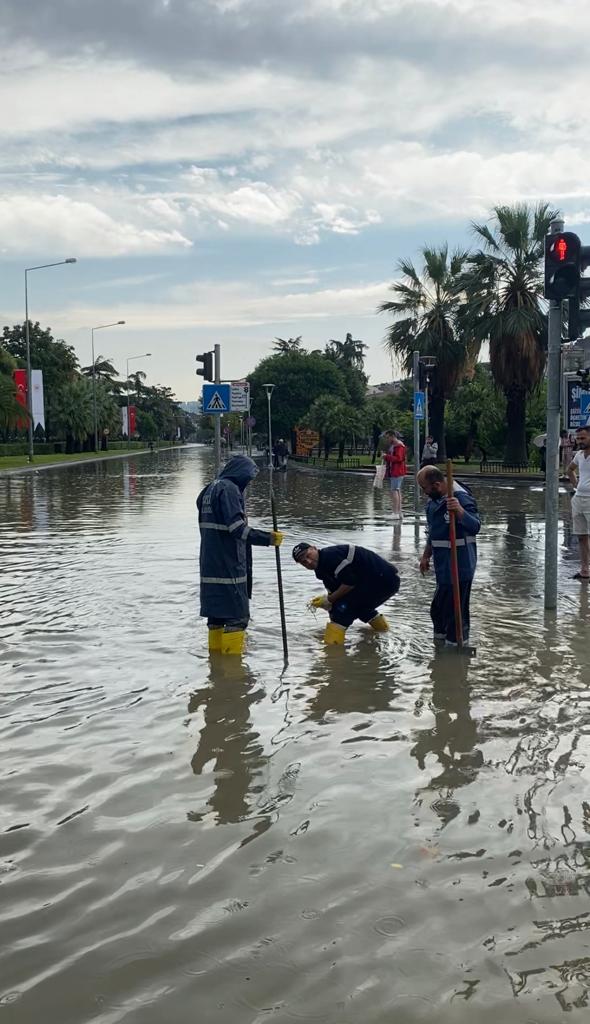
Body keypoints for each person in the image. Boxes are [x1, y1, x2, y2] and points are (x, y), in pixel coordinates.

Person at [197, 455, 283, 655]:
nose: (248, 483)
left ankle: (216, 669)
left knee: (216, 618)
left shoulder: (208, 490)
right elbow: (238, 530)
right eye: (249, 478)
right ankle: (233, 675)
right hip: (229, 567)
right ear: (241, 473)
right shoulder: (229, 490)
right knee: (237, 618)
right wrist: (268, 538)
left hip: (210, 564)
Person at [417, 466, 481, 646]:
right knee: (438, 610)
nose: (424, 493)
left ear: (437, 485)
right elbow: (433, 532)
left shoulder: (460, 498)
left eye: (425, 488)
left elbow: (475, 526)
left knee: (456, 614)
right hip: (443, 565)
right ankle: (439, 647)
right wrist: (426, 555)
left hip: (460, 565)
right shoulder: (433, 502)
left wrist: (460, 511)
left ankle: (456, 651)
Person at [292, 541, 400, 645]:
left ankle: (332, 654)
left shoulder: (331, 557)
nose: (308, 562)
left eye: (308, 555)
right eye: (303, 562)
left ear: (314, 548)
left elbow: (349, 583)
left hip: (385, 580)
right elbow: (334, 590)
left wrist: (329, 600)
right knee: (356, 608)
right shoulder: (320, 569)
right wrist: (329, 604)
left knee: (342, 612)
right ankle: (383, 632)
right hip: (374, 582)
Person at [567, 425, 590, 581]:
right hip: (578, 498)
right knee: (581, 536)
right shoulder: (579, 455)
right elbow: (570, 470)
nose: (580, 441)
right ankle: (584, 570)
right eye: (578, 438)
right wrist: (576, 485)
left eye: (583, 438)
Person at [382, 430, 407, 520]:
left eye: (388, 437)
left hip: (397, 471)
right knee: (397, 490)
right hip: (396, 471)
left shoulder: (398, 446)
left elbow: (398, 458)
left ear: (393, 436)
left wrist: (386, 456)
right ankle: (399, 512)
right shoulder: (395, 446)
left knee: (394, 491)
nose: (387, 439)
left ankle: (395, 513)